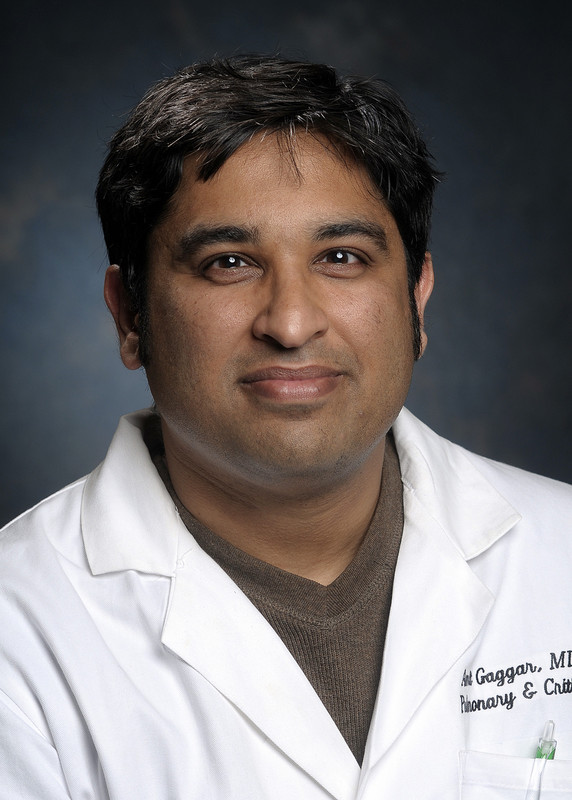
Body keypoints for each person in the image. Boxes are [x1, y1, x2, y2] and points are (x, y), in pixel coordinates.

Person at [1, 55, 572, 800]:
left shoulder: (559, 554)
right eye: (229, 263)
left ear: (416, 299)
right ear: (130, 313)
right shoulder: (19, 624)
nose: (292, 322)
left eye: (342, 257)